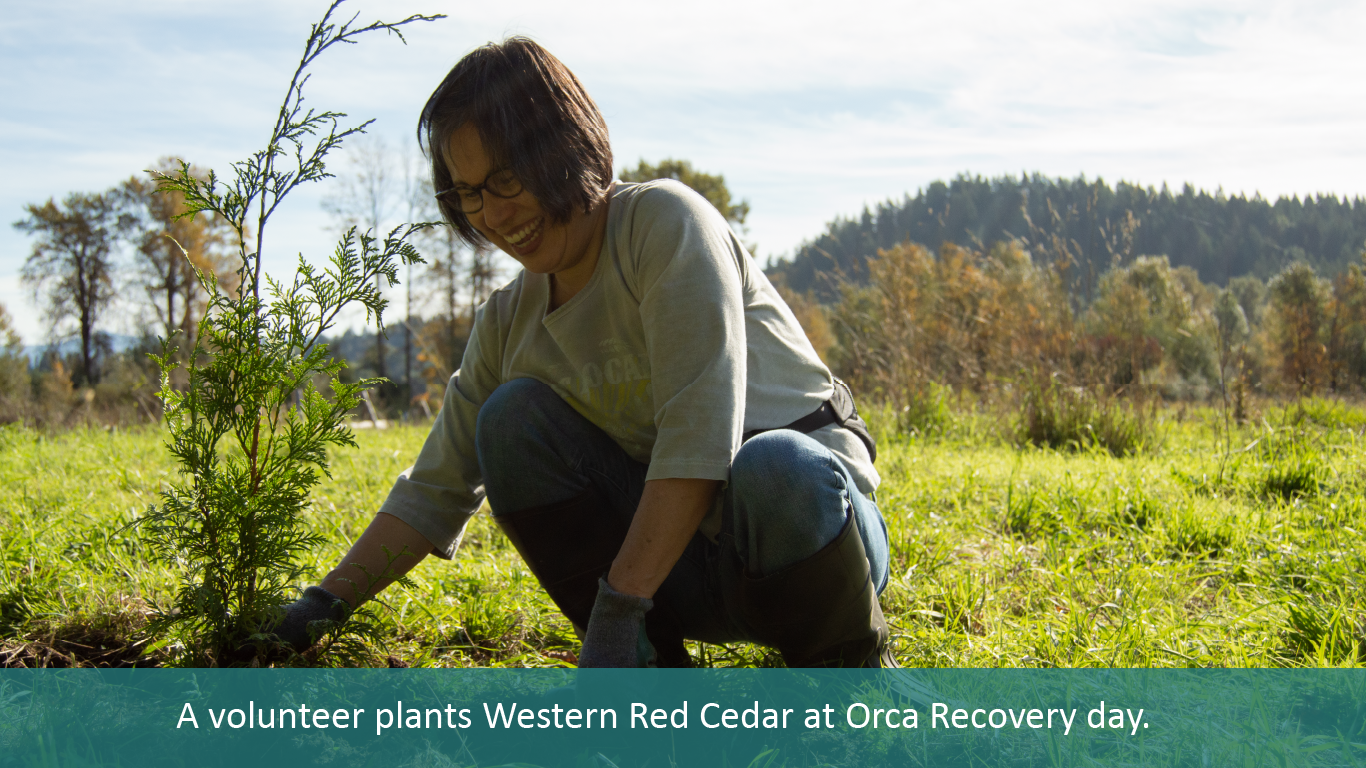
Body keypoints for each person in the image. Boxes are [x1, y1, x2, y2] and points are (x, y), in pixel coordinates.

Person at [277, 37, 896, 668]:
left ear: (563, 146)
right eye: (468, 192)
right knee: (509, 420)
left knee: (775, 466)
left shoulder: (662, 226)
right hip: (684, 574)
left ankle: (852, 682)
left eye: (506, 178)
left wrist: (618, 607)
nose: (491, 213)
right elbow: (433, 491)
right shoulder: (508, 321)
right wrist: (318, 608)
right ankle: (651, 681)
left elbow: (698, 434)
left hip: (812, 543)